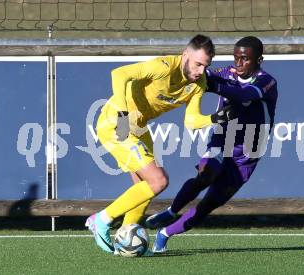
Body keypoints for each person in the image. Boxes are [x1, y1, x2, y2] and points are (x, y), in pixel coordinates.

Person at [85, 34, 237, 254]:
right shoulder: (163, 67)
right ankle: (101, 220)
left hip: (140, 127)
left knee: (144, 187)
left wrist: (214, 118)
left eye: (206, 66)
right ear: (185, 55)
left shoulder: (198, 84)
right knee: (159, 181)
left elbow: (191, 121)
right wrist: (121, 109)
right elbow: (119, 74)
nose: (201, 71)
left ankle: (126, 238)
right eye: (197, 64)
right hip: (118, 122)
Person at [145, 36, 278, 253]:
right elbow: (195, 73)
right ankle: (171, 211)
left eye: (245, 59)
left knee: (208, 205)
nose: (239, 63)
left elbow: (243, 94)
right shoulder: (224, 74)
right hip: (223, 139)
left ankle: (164, 234)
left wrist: (211, 84)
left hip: (248, 153)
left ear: (259, 60)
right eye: (236, 58)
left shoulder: (266, 81)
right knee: (206, 175)